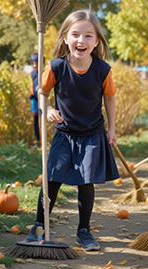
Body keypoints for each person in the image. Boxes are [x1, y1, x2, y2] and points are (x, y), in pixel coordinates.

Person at [24, 9, 120, 251]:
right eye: (75, 34)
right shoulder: (56, 67)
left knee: (86, 182)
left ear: (96, 41)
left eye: (88, 36)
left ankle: (84, 231)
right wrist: (47, 109)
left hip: (92, 134)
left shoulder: (102, 70)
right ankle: (39, 227)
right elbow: (42, 93)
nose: (81, 40)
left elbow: (110, 98)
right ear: (65, 37)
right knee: (52, 179)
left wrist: (112, 128)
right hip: (64, 133)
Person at [29, 53, 40, 148]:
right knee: (35, 122)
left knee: (41, 121)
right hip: (35, 101)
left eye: (37, 63)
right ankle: (38, 141)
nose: (35, 65)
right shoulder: (33, 74)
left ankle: (42, 141)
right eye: (33, 63)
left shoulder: (42, 73)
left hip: (41, 101)